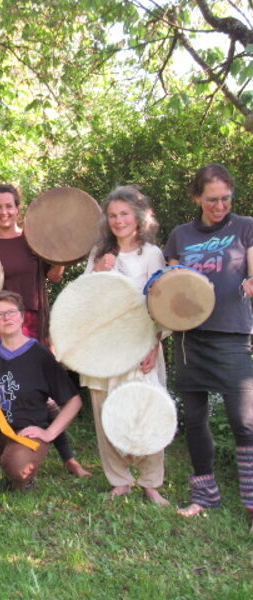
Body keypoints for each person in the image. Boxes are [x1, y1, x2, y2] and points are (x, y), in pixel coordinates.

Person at [0, 183, 90, 478]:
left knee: (44, 392)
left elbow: (54, 275)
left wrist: (61, 253)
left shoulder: (34, 240)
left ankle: (68, 456)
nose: (4, 212)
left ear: (18, 208)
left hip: (31, 321)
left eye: (9, 206)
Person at [165, 164, 253, 522]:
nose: (220, 206)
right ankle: (205, 496)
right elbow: (169, 284)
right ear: (197, 198)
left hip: (231, 334)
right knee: (195, 418)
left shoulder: (245, 227)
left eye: (226, 198)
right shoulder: (181, 235)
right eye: (212, 199)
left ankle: (252, 500)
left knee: (244, 421)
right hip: (190, 338)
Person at [0, 291, 83, 499]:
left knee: (18, 466)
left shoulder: (40, 355)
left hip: (26, 435)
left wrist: (49, 433)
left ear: (22, 317)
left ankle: (22, 475)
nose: (7, 318)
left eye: (11, 312)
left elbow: (74, 401)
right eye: (0, 315)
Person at [82, 185, 169, 505]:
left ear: (139, 217)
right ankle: (119, 480)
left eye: (124, 214)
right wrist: (98, 270)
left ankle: (150, 482)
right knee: (106, 411)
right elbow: (81, 298)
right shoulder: (99, 252)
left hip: (140, 345)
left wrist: (154, 344)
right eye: (113, 215)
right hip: (104, 346)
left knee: (147, 411)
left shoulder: (152, 254)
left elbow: (163, 302)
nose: (118, 221)